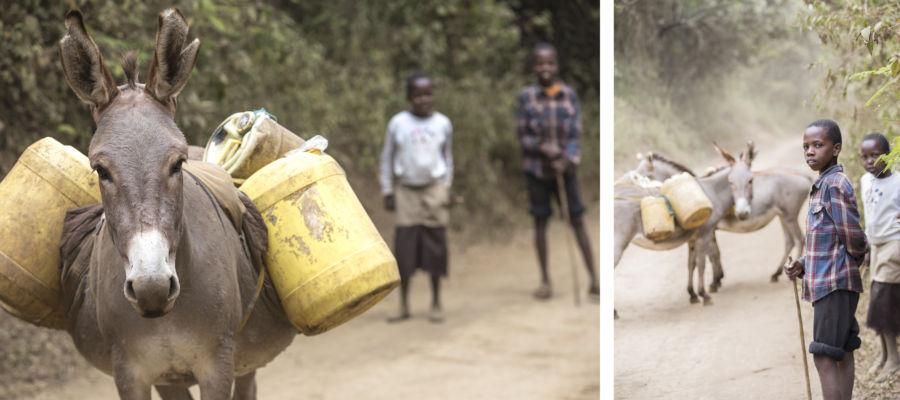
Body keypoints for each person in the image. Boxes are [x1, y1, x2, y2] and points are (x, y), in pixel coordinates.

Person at [784, 119, 869, 400]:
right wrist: (804, 264)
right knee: (841, 351)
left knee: (824, 355)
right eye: (806, 146)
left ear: (836, 149)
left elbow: (853, 237)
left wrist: (852, 262)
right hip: (833, 281)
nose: (810, 151)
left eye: (818, 145)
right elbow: (828, 240)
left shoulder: (834, 184)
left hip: (834, 285)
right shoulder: (823, 184)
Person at [514, 42, 598, 300]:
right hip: (537, 171)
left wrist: (567, 160)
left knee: (577, 221)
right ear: (533, 67)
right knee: (540, 222)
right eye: (540, 64)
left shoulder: (568, 95)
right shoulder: (526, 97)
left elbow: (575, 134)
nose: (545, 68)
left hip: (565, 172)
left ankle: (595, 280)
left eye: (550, 63)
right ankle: (545, 281)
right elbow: (522, 136)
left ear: (557, 66)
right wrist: (543, 149)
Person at [380, 72, 453, 323]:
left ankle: (436, 302)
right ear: (409, 97)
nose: (424, 99)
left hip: (434, 189)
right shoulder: (398, 123)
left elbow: (447, 157)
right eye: (418, 95)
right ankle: (404, 305)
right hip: (407, 191)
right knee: (405, 248)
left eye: (428, 94)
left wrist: (446, 187)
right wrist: (388, 189)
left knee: (435, 245)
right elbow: (387, 157)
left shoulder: (443, 123)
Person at [859, 132, 900, 381]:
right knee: (880, 299)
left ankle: (894, 359)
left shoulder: (898, 181)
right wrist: (866, 245)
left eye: (875, 155)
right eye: (864, 156)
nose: (869, 161)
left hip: (895, 244)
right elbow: (870, 215)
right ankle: (885, 355)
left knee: (881, 300)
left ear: (888, 154)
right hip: (875, 246)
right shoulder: (865, 181)